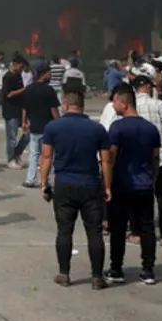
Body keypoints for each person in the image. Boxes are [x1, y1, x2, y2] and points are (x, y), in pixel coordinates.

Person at [39, 89, 113, 289]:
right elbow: (106, 160)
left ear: (65, 105)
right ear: (82, 106)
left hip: (64, 184)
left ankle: (64, 273)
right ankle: (97, 277)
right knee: (94, 232)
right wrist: (107, 186)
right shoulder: (97, 129)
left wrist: (44, 183)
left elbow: (46, 157)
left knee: (64, 230)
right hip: (90, 184)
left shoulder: (53, 127)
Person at [105, 85, 158, 285]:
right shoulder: (151, 128)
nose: (113, 106)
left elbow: (110, 157)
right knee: (146, 228)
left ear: (125, 103)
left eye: (115, 102)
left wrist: (107, 183)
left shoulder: (117, 128)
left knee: (118, 229)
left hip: (122, 184)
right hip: (144, 185)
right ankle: (148, 269)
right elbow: (155, 158)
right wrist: (152, 178)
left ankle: (116, 268)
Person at [21, 61, 61, 189]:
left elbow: (24, 108)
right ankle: (45, 180)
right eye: (49, 73)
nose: (51, 75)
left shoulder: (29, 89)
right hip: (48, 128)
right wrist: (60, 124)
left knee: (34, 154)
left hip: (34, 127)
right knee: (47, 155)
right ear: (44, 74)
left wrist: (24, 122)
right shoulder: (48, 90)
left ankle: (30, 179)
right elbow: (53, 110)